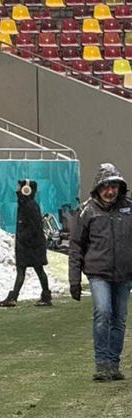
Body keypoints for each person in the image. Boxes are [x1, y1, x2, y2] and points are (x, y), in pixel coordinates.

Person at [69, 163, 132, 382]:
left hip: (125, 275)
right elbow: (76, 246)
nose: (110, 191)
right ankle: (102, 363)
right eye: (106, 186)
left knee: (119, 319)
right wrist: (74, 280)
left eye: (114, 186)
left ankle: (113, 365)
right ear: (98, 188)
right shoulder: (88, 211)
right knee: (103, 313)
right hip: (98, 273)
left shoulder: (129, 209)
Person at [0, 179, 51, 307]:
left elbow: (34, 227)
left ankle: (15, 297)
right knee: (34, 269)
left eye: (19, 187)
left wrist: (23, 238)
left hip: (31, 246)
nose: (17, 189)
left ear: (25, 190)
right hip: (30, 245)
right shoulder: (26, 204)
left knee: (29, 270)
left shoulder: (29, 205)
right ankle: (44, 296)